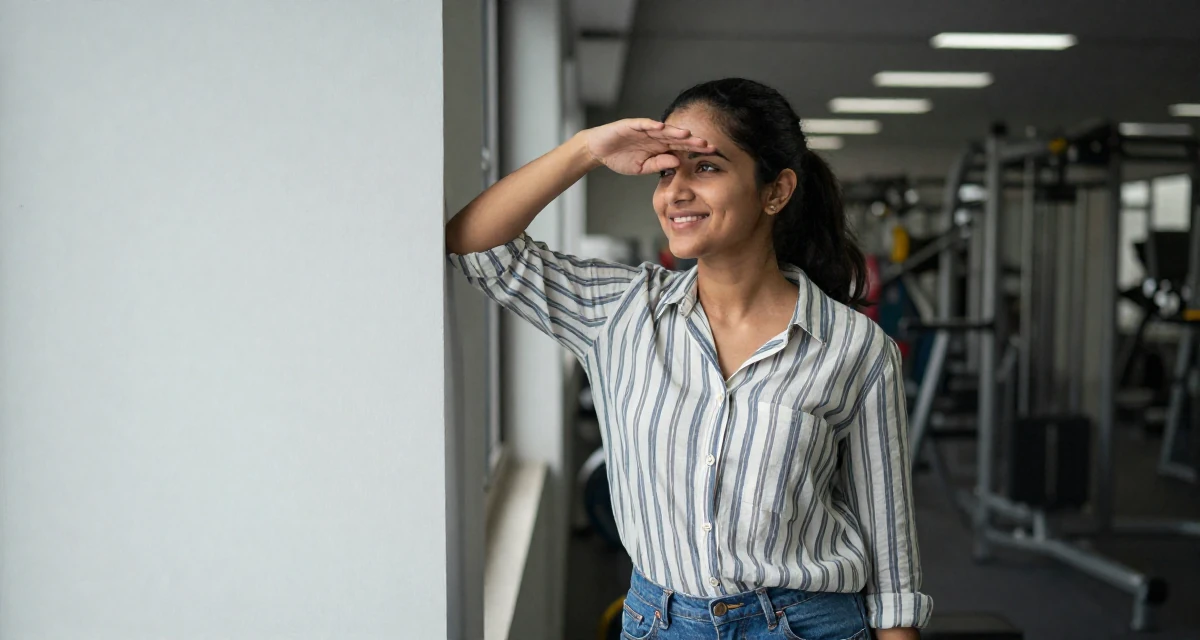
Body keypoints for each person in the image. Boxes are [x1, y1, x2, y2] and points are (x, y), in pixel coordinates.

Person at [446, 78, 931, 640]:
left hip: (808, 625)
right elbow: (475, 245)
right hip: (661, 623)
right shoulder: (620, 312)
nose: (674, 191)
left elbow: (890, 551)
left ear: (776, 191)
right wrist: (585, 150)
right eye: (664, 171)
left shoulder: (854, 348)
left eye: (705, 167)